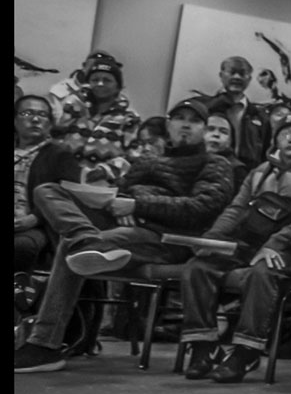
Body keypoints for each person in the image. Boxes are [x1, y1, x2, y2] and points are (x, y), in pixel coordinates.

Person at [14, 97, 243, 373]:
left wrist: (138, 205)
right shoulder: (149, 160)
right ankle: (87, 238)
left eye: (194, 121)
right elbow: (124, 189)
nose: (186, 125)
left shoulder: (214, 163)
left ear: (204, 129)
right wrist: (117, 200)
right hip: (124, 226)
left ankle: (45, 344)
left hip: (166, 238)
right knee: (47, 191)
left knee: (69, 245)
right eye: (180, 118)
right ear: (168, 125)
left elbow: (202, 209)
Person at [176, 112, 291, 384]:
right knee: (199, 267)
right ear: (276, 139)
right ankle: (203, 347)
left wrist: (275, 244)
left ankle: (246, 350)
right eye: (285, 133)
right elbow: (237, 209)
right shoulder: (262, 170)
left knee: (262, 271)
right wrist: (212, 239)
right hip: (251, 243)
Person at [14, 94, 78, 271]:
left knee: (21, 246)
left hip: (35, 225)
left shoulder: (60, 155)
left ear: (50, 124)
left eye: (42, 115)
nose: (35, 119)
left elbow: (69, 197)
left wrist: (34, 218)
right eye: (27, 113)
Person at [52, 52, 139, 175]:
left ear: (118, 86)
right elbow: (55, 137)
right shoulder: (74, 105)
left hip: (104, 184)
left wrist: (105, 172)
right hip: (65, 176)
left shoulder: (129, 117)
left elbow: (132, 155)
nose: (100, 84)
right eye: (95, 79)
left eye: (107, 80)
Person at [200, 56, 270, 167]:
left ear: (249, 79)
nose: (237, 77)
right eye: (232, 72)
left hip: (246, 175)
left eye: (242, 74)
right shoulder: (204, 108)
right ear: (221, 76)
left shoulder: (260, 116)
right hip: (209, 169)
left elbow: (265, 154)